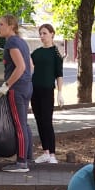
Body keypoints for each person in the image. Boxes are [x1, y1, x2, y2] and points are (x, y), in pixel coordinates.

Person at [0, 14, 34, 172]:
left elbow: (21, 67)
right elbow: (31, 66)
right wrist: (26, 81)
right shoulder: (22, 42)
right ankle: (28, 157)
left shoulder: (11, 42)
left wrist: (6, 85)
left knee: (19, 124)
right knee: (23, 123)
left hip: (16, 89)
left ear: (11, 26)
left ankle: (21, 162)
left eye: (2, 24)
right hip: (26, 87)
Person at [31, 23, 64, 164]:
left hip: (47, 90)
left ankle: (52, 154)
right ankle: (45, 152)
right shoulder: (36, 53)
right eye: (40, 33)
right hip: (34, 90)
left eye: (44, 33)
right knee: (39, 121)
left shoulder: (55, 53)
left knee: (47, 121)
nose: (42, 36)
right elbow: (29, 67)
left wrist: (60, 92)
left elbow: (59, 74)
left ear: (52, 34)